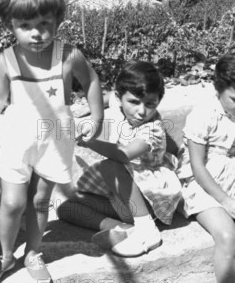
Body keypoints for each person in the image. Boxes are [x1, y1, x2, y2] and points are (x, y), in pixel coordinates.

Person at [0, 0, 104, 283]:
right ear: (10, 25)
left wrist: (96, 115)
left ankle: (32, 252)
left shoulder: (68, 56)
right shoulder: (8, 60)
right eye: (25, 26)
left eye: (44, 23)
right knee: (12, 203)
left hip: (55, 140)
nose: (36, 33)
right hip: (18, 139)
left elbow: (91, 81)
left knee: (40, 201)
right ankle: (4, 255)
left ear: (58, 20)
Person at [57, 61, 182, 257]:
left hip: (149, 198)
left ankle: (147, 229)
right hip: (122, 199)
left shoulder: (153, 129)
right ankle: (121, 229)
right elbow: (107, 98)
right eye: (133, 102)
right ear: (120, 98)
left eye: (150, 104)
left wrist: (90, 142)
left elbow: (123, 154)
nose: (141, 111)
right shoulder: (119, 103)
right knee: (65, 208)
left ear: (158, 101)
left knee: (110, 166)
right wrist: (86, 111)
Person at [176, 52, 235, 283]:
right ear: (217, 88)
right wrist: (225, 200)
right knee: (228, 236)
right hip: (205, 185)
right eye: (234, 99)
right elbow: (198, 167)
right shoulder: (203, 115)